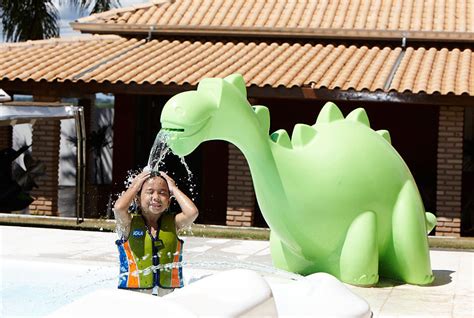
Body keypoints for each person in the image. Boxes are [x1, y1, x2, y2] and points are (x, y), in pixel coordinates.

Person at [113, 169, 199, 296]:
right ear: (137, 199)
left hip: (169, 295)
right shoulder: (129, 223)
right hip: (134, 295)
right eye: (149, 192)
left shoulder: (174, 223)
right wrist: (135, 186)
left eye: (162, 193)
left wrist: (173, 188)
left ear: (169, 201)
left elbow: (192, 212)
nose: (156, 197)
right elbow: (119, 208)